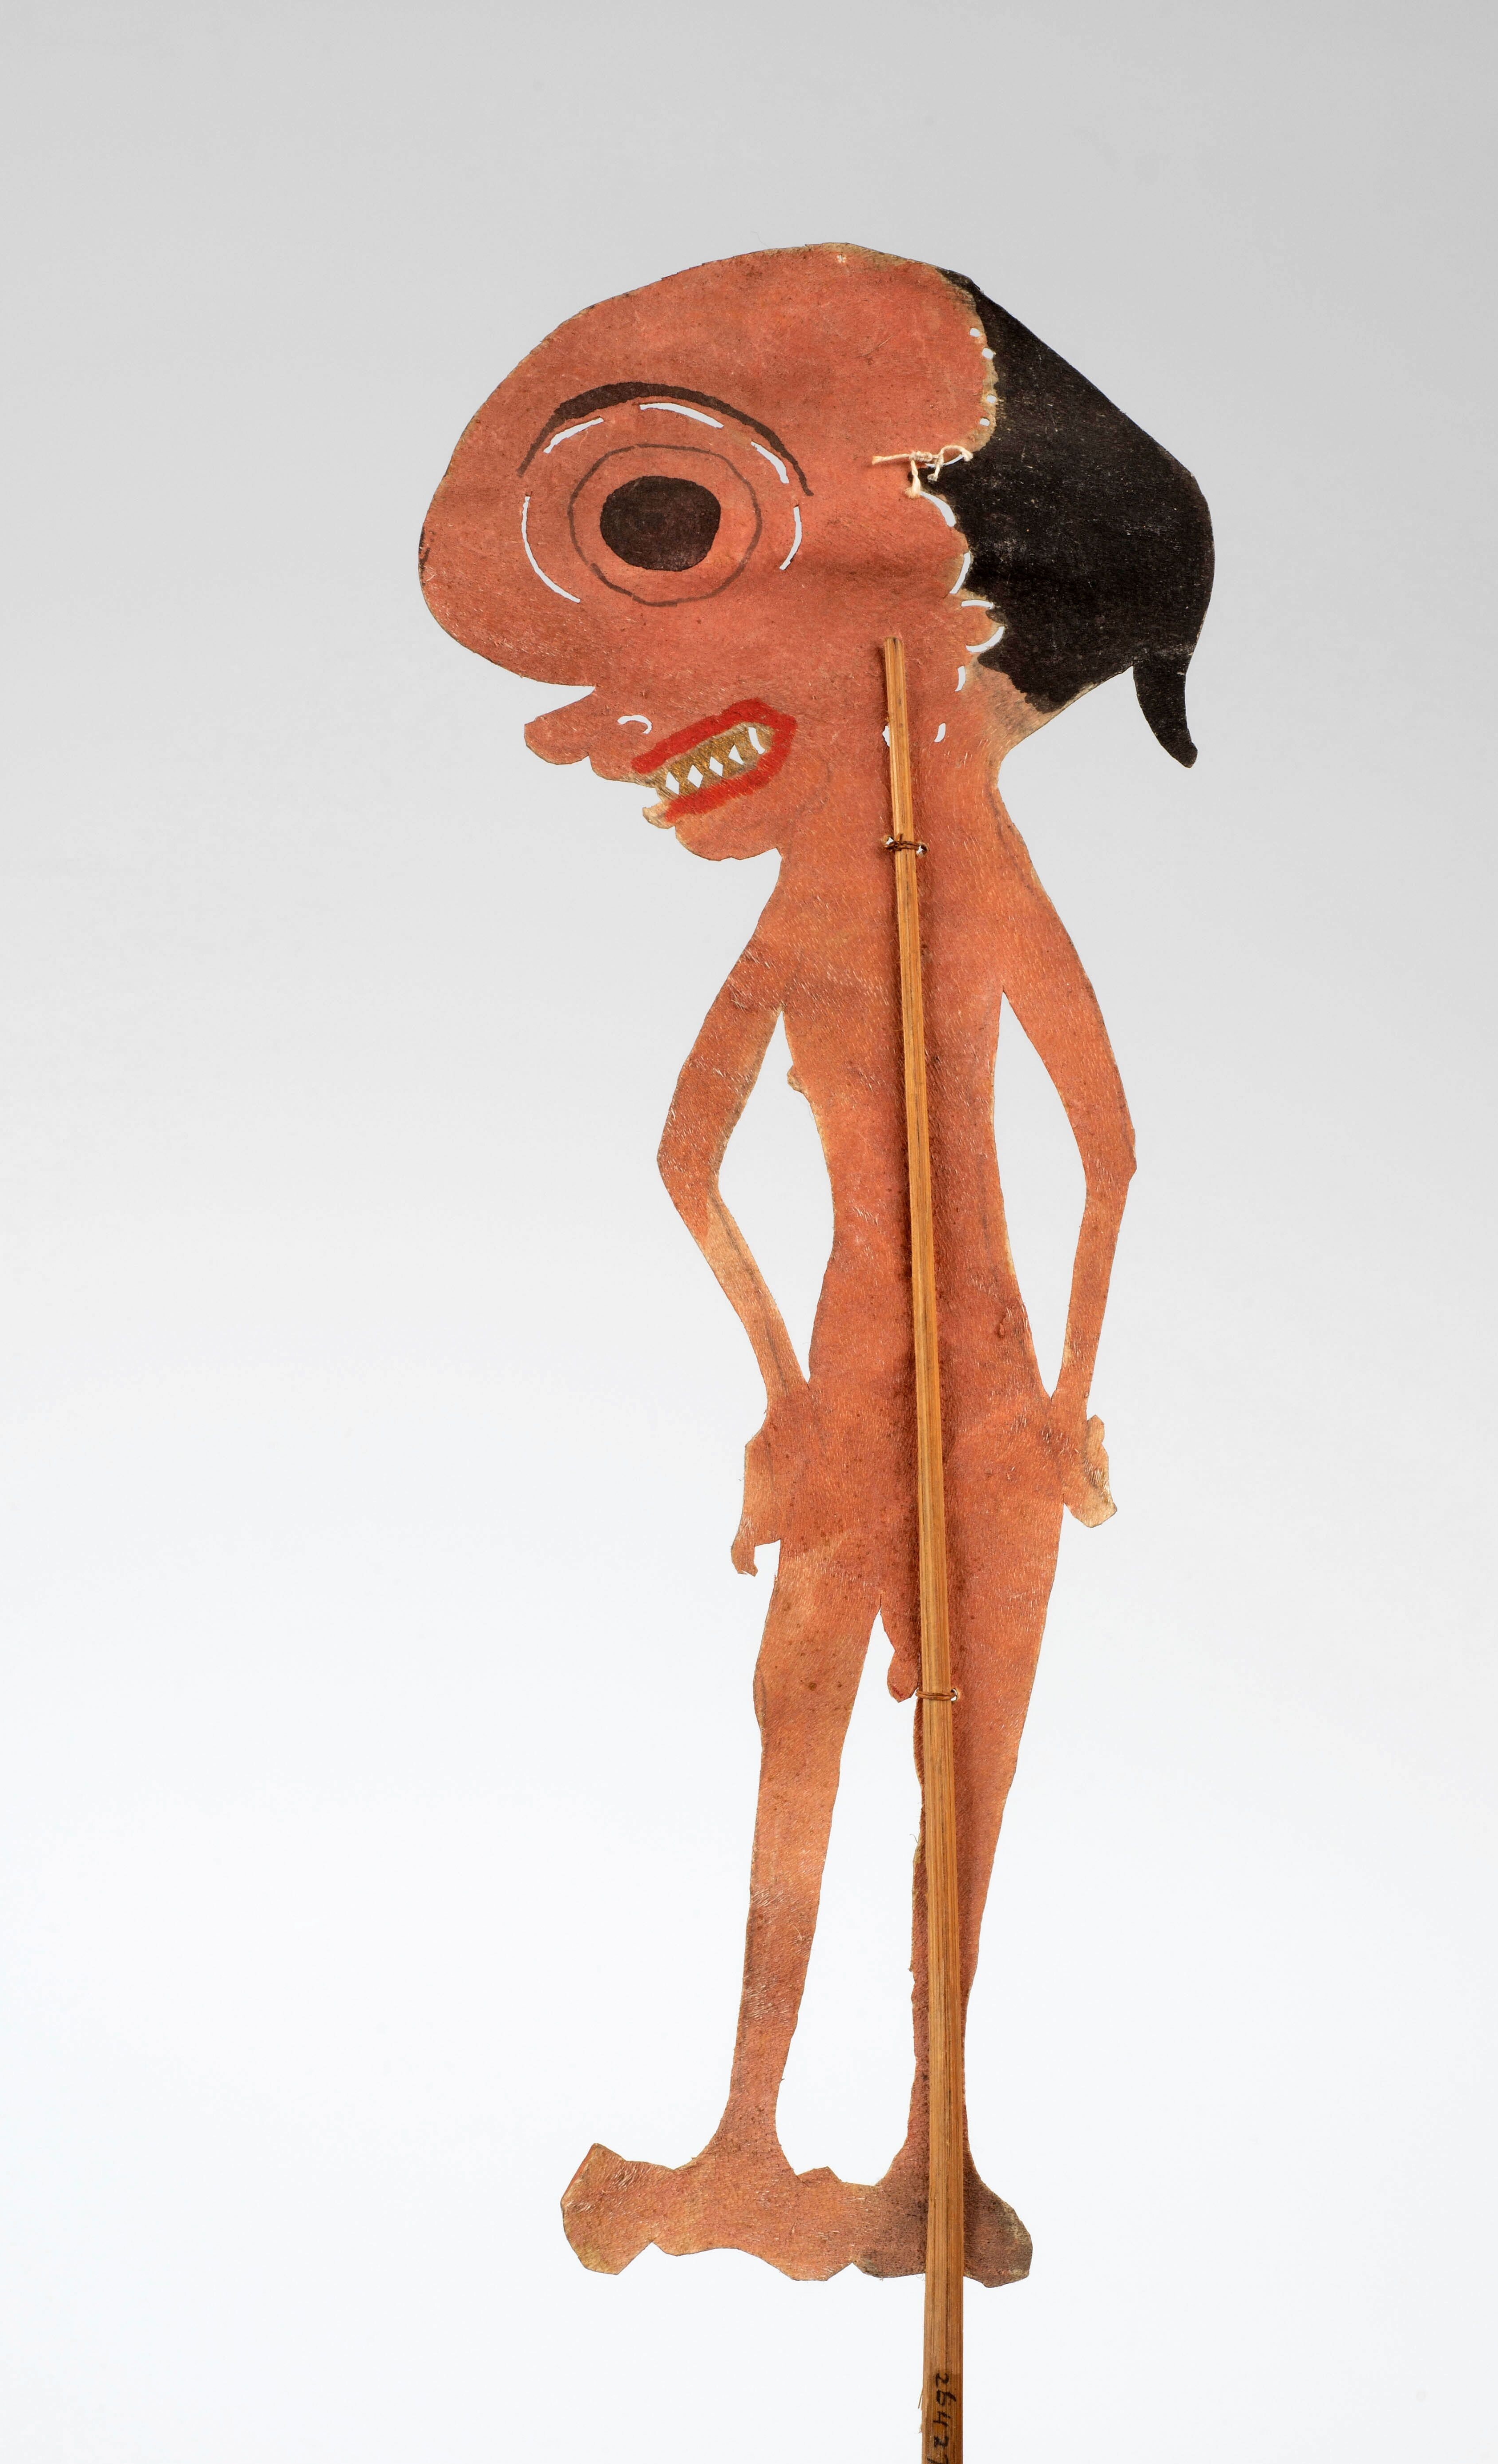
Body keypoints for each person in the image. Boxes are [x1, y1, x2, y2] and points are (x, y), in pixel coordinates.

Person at [421, 244, 1211, 2282]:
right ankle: (780, 2144)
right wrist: (943, 1393)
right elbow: (1098, 1158)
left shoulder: (946, 860)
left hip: (953, 1395)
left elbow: (714, 1158)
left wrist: (980, 1401)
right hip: (944, 1390)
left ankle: (910, 2149)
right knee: (883, 1747)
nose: (588, 736)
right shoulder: (860, 886)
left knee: (882, 1746)